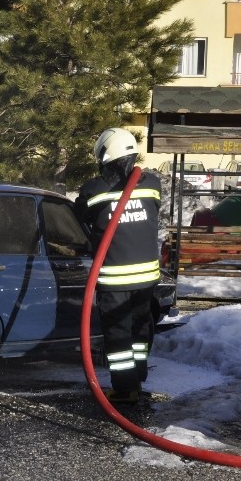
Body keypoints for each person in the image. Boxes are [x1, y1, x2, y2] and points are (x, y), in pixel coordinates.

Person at [75, 127, 162, 404]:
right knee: (139, 328)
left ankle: (125, 389)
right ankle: (137, 377)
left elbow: (79, 216)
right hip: (147, 278)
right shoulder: (152, 185)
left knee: (118, 335)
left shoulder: (94, 189)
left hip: (114, 279)